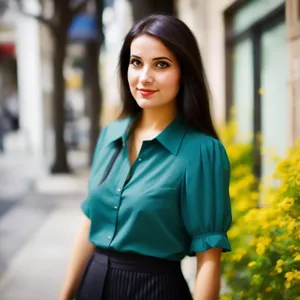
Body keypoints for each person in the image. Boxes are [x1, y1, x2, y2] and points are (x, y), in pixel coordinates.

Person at [59, 14, 232, 300]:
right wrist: (65, 295)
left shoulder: (202, 152)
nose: (144, 77)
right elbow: (89, 223)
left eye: (161, 64)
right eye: (136, 62)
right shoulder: (110, 135)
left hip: (154, 291)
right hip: (91, 285)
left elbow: (209, 259)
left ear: (184, 71)